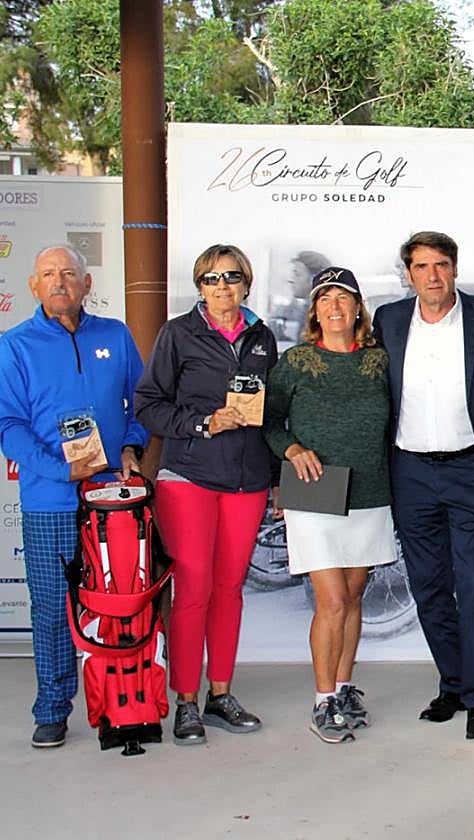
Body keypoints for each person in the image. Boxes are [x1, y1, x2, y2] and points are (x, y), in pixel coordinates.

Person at [374, 232, 474, 741]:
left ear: (454, 269)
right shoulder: (389, 321)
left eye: (441, 265)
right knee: (429, 585)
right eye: (421, 266)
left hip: (472, 469)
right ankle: (453, 684)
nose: (432, 276)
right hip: (411, 471)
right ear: (409, 274)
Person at [0, 244, 148, 748]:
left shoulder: (115, 334)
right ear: (34, 286)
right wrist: (59, 470)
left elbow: (141, 404)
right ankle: (53, 707)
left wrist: (132, 446)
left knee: (118, 603)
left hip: (113, 500)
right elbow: (9, 425)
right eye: (49, 274)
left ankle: (120, 704)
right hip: (51, 500)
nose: (60, 281)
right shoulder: (14, 345)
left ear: (88, 284)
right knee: (51, 606)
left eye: (69, 273)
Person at [135, 244, 278, 745]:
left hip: (248, 480)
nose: (222, 286)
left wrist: (276, 473)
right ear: (199, 286)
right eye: (211, 278)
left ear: (246, 283)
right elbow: (148, 406)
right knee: (192, 592)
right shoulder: (178, 333)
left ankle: (221, 693)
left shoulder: (262, 337)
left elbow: (273, 411)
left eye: (232, 277)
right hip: (190, 478)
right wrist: (202, 422)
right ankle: (186, 701)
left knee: (229, 590)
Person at [264, 267, 397, 743]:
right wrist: (292, 450)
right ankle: (322, 701)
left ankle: (343, 688)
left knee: (355, 597)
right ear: (314, 311)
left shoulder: (379, 361)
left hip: (369, 491)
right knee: (333, 601)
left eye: (344, 298)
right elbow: (270, 421)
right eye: (325, 299)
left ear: (358, 307)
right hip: (314, 491)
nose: (335, 307)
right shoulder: (297, 361)